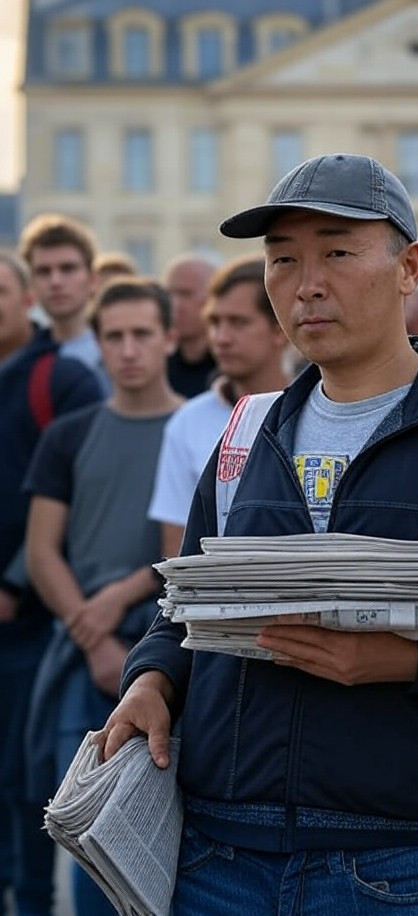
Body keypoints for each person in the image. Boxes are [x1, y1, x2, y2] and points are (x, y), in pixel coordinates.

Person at [98, 153, 418, 916]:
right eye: (283, 260)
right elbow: (188, 601)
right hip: (221, 855)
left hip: (409, 862)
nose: (306, 282)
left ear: (409, 268)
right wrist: (151, 678)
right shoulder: (246, 433)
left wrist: (410, 663)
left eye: (336, 252)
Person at [24, 278, 183, 916]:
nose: (129, 350)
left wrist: (125, 598)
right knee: (87, 837)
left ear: (170, 337)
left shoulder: (202, 425)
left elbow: (194, 547)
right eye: (113, 336)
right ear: (97, 343)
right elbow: (42, 551)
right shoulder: (68, 434)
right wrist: (93, 633)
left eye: (142, 333)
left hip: (168, 647)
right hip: (80, 651)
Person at [0, 250, 103, 916]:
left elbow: (77, 497)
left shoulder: (59, 378)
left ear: (24, 297)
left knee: (29, 781)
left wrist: (12, 585)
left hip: (34, 622)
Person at [149, 256, 289, 557]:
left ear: (279, 330)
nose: (222, 338)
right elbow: (176, 549)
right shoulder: (187, 422)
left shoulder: (320, 412)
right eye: (215, 322)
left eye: (238, 323)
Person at [18, 213, 110, 392]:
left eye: (68, 269)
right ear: (32, 283)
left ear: (92, 279)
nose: (56, 282)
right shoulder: (21, 365)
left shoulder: (125, 350)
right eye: (44, 271)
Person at [164, 253, 218, 397]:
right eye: (170, 294)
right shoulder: (159, 364)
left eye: (185, 294)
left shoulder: (230, 364)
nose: (174, 304)